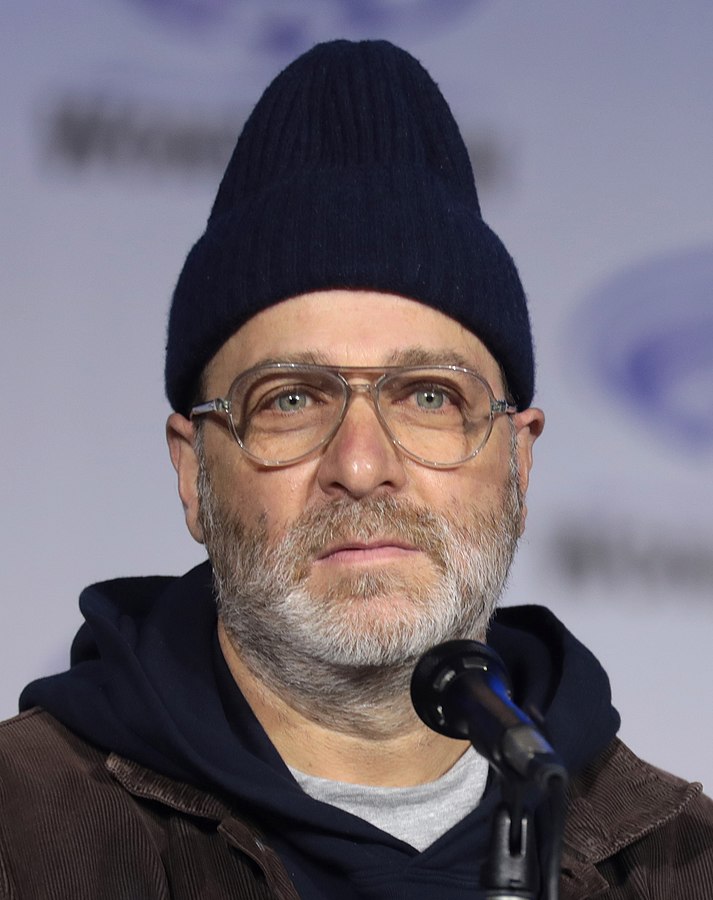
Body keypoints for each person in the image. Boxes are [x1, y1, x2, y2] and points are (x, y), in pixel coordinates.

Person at [0, 39, 711, 900]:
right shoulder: (23, 835)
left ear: (516, 461)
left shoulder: (683, 863)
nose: (363, 465)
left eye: (427, 397)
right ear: (195, 474)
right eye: (291, 399)